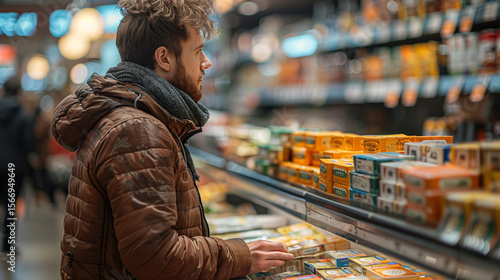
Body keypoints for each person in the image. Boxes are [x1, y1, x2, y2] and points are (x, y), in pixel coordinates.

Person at [51, 0, 293, 279]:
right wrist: (241, 257)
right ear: (164, 58)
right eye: (198, 51)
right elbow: (155, 256)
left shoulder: (131, 118)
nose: (207, 62)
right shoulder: (139, 130)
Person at [0, 75, 33, 256]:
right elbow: (28, 142)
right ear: (19, 92)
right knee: (10, 206)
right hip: (14, 168)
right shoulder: (23, 115)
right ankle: (7, 245)